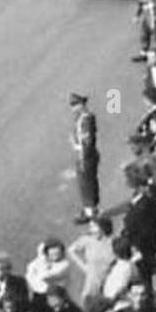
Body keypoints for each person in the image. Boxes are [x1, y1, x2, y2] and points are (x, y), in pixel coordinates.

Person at [68, 215, 116, 308]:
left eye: (94, 227)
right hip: (92, 283)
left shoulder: (113, 241)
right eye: (90, 227)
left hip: (109, 282)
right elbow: (71, 250)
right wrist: (83, 266)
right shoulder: (87, 240)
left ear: (103, 227)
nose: (91, 230)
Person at [70, 93, 101, 223]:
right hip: (86, 155)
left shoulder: (86, 119)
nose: (73, 109)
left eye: (74, 105)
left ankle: (90, 212)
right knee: (87, 182)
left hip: (86, 156)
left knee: (86, 183)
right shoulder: (82, 118)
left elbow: (87, 141)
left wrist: (77, 147)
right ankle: (90, 208)